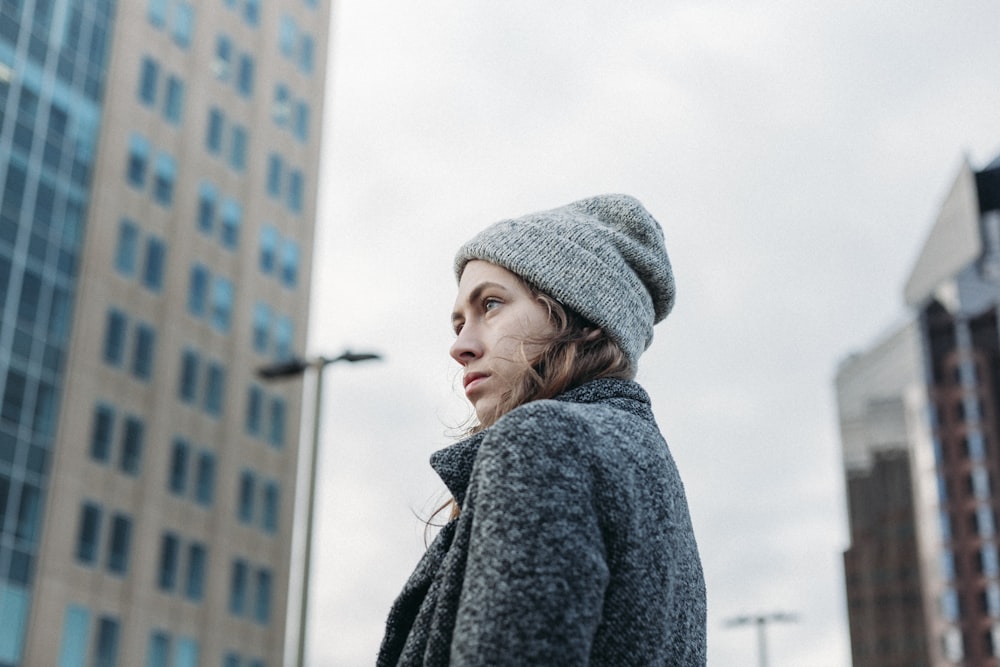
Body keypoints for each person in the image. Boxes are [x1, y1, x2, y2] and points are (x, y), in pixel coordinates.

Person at [377, 194, 706, 666]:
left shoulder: (543, 442)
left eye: (490, 304)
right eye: (457, 324)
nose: (461, 347)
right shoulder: (644, 463)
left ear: (579, 318)